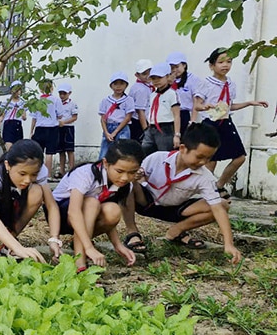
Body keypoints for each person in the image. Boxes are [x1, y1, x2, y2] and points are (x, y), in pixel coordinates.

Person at [121, 123, 242, 263]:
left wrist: (229, 244)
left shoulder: (204, 176)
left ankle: (177, 231)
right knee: (126, 182)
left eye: (208, 158)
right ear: (183, 148)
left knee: (222, 205)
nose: (203, 162)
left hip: (175, 209)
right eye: (199, 156)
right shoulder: (157, 158)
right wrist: (136, 176)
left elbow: (217, 209)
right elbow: (137, 176)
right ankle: (132, 233)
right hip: (145, 202)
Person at [0, 139, 62, 263]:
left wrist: (54, 239)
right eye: (22, 174)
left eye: (33, 175)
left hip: (10, 208)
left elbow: (51, 206)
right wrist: (19, 248)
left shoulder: (39, 171)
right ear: (8, 165)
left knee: (37, 192)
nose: (27, 180)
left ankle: (10, 239)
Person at [52, 140, 143, 272]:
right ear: (106, 163)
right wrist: (89, 247)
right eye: (120, 171)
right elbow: (74, 212)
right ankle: (80, 263)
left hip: (86, 217)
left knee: (113, 210)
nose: (124, 177)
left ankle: (81, 248)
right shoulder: (86, 174)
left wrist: (117, 245)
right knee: (92, 203)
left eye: (132, 172)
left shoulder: (124, 186)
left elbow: (108, 219)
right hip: (61, 215)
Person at [192, 47, 269, 197]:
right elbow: (197, 105)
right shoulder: (206, 83)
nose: (225, 65)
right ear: (212, 65)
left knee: (240, 157)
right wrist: (205, 106)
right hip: (210, 123)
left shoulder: (230, 84)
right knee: (211, 160)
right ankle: (207, 193)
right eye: (221, 62)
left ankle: (219, 185)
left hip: (226, 122)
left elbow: (229, 106)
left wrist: (250, 103)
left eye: (229, 61)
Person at [141, 63, 180, 156]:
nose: (156, 81)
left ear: (167, 77)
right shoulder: (153, 94)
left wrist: (177, 135)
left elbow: (177, 115)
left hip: (165, 128)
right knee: (146, 152)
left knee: (163, 155)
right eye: (153, 78)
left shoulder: (171, 94)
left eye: (159, 77)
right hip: (151, 128)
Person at [98, 72, 135, 159]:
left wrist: (115, 132)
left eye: (121, 84)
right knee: (104, 154)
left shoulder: (128, 100)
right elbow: (103, 118)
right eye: (115, 84)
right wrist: (106, 132)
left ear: (126, 85)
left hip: (122, 128)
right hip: (109, 127)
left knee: (122, 153)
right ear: (111, 86)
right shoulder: (105, 101)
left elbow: (128, 117)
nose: (118, 87)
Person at [29, 79, 59, 177]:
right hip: (52, 128)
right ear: (52, 88)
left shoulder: (37, 101)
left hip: (39, 128)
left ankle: (38, 173)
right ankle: (48, 175)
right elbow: (60, 114)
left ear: (40, 90)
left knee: (38, 152)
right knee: (49, 153)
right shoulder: (55, 100)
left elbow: (34, 118)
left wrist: (31, 131)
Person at [167, 51, 200, 135]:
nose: (174, 70)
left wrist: (192, 121)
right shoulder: (167, 79)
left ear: (184, 65)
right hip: (170, 116)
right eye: (172, 67)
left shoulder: (193, 79)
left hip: (185, 114)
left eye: (177, 66)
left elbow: (196, 101)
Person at [55, 83, 79, 178]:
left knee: (69, 149)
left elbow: (74, 117)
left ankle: (72, 169)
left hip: (68, 128)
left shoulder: (72, 104)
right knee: (61, 150)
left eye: (64, 93)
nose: (62, 96)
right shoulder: (57, 103)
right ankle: (61, 171)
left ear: (69, 93)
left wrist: (64, 122)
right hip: (59, 128)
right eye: (60, 93)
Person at [128, 59, 153, 142]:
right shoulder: (140, 89)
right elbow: (140, 111)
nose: (148, 76)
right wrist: (146, 130)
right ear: (137, 75)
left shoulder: (148, 85)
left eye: (150, 72)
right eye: (144, 74)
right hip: (139, 122)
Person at [0, 80, 26, 151]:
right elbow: (2, 115)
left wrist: (23, 115)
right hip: (8, 124)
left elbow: (24, 117)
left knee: (18, 146)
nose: (17, 92)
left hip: (17, 124)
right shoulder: (6, 102)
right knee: (9, 146)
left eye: (19, 90)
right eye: (15, 89)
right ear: (11, 90)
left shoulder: (22, 102)